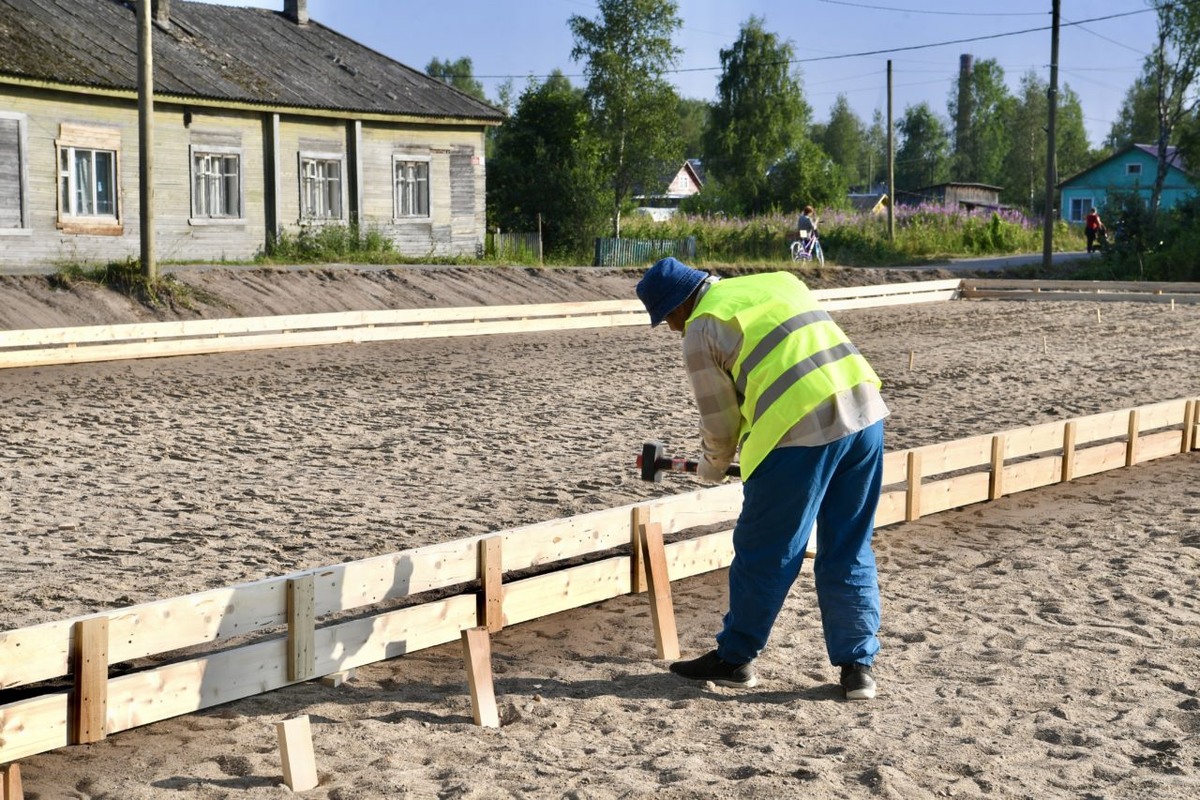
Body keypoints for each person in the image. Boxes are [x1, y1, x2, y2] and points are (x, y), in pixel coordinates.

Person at [635, 257, 889, 701]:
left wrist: (712, 466)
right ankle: (858, 668)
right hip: (865, 416)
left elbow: (719, 421)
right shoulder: (778, 281)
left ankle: (734, 659)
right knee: (849, 544)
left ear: (678, 307)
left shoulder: (701, 328)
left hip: (796, 433)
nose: (672, 330)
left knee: (765, 551)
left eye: (668, 320)